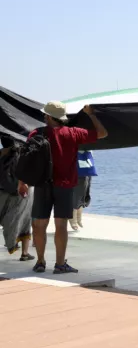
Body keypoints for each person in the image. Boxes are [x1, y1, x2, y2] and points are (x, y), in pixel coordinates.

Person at [20, 102, 107, 274]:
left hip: (42, 184)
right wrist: (91, 115)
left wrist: (22, 181)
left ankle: (40, 262)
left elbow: (26, 159)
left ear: (48, 117)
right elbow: (103, 133)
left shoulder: (36, 133)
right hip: (65, 185)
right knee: (61, 226)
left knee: (39, 225)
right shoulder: (73, 133)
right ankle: (60, 265)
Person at [0, 135, 33, 261]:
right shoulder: (22, 154)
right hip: (21, 193)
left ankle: (12, 243)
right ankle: (24, 253)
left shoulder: (1, 154)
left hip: (2, 192)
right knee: (25, 221)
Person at [70, 150, 97, 231]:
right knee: (77, 193)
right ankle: (72, 219)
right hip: (76, 161)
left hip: (86, 163)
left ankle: (79, 218)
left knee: (85, 193)